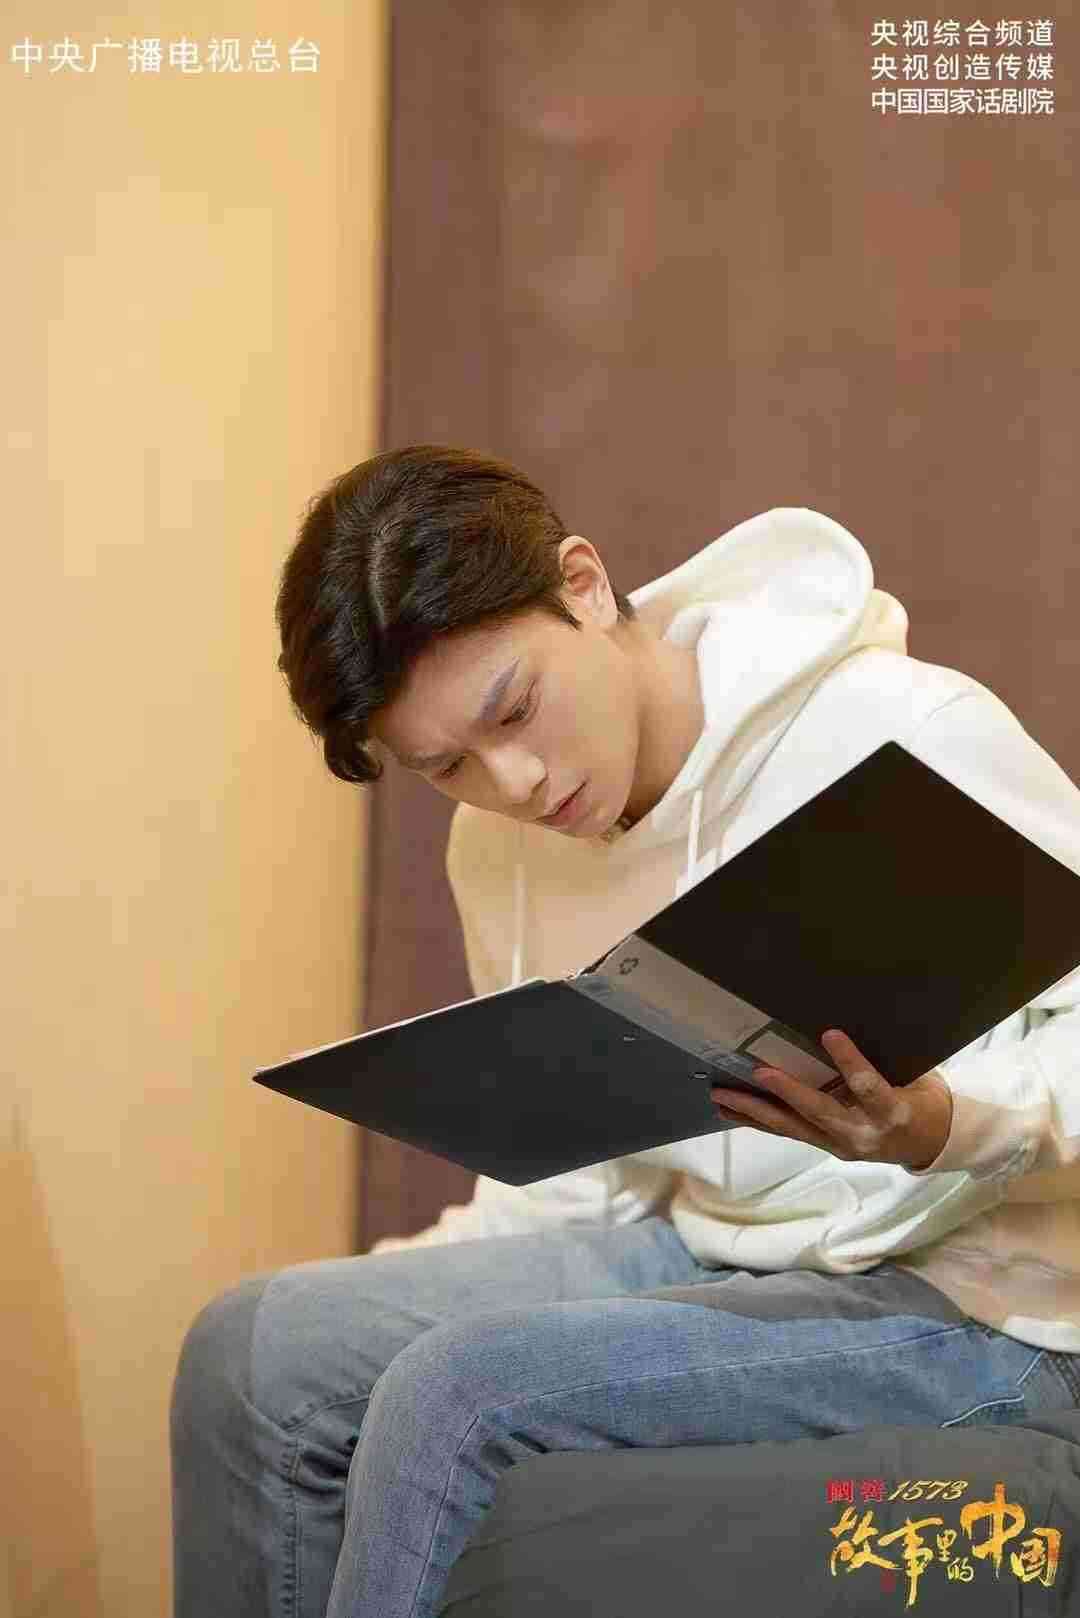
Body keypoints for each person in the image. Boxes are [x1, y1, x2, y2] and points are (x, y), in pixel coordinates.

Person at [171, 444, 1080, 1618]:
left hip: (977, 1288)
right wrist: (393, 1286)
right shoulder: (501, 848)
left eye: (514, 708)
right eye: (447, 766)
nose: (514, 780)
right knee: (257, 1350)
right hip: (710, 1246)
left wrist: (943, 1128)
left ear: (585, 585)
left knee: (454, 1396)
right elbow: (589, 1170)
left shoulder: (897, 727)